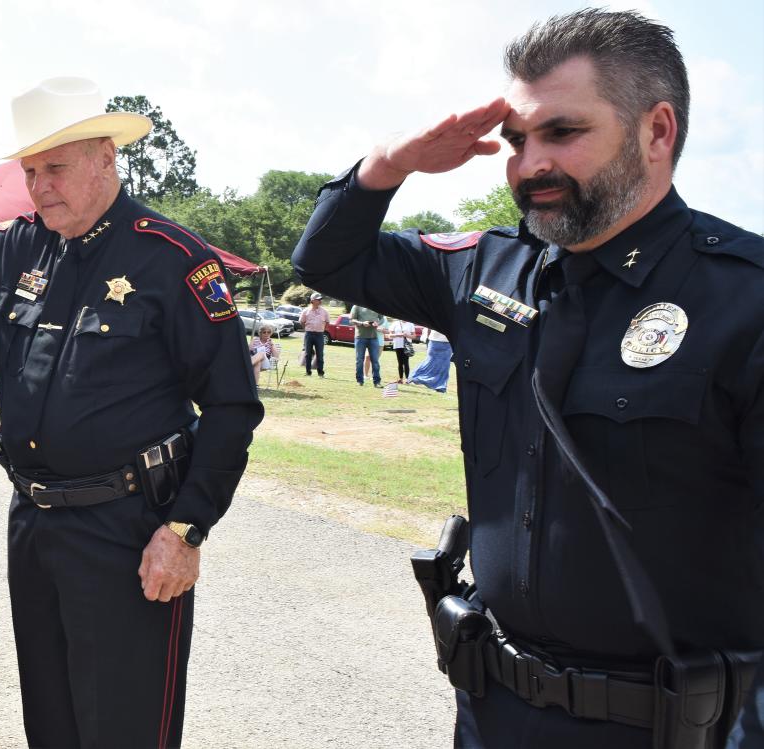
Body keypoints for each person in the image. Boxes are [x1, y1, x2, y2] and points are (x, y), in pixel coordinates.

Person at [293, 9, 762, 748]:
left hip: (670, 727)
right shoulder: (484, 267)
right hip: (494, 708)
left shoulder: (742, 297)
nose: (527, 164)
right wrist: (391, 161)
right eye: (516, 141)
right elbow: (324, 259)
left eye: (561, 133)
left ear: (657, 130)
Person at [0, 76, 263, 748]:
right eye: (31, 170)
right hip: (35, 523)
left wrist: (185, 528)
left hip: (126, 531)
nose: (40, 186)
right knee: (53, 720)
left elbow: (232, 406)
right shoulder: (24, 245)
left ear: (106, 157)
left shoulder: (172, 259)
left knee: (123, 727)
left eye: (56, 168)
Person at [347, 304, 385, 386]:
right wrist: (362, 323)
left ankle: (377, 382)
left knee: (375, 361)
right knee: (359, 360)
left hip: (374, 337)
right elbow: (351, 320)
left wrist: (377, 323)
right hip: (360, 337)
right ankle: (359, 381)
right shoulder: (356, 306)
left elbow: (382, 318)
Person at [409, 327, 452, 393]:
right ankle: (440, 386)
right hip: (440, 342)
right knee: (443, 366)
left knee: (437, 364)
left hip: (440, 342)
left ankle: (440, 386)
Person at [298, 292, 330, 376]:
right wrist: (306, 329)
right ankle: (308, 371)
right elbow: (301, 321)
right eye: (318, 299)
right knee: (308, 353)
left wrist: (322, 329)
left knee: (320, 353)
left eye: (320, 299)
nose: (320, 301)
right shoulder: (306, 311)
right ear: (312, 300)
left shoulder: (324, 311)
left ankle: (320, 372)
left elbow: (327, 322)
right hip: (309, 334)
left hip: (319, 334)